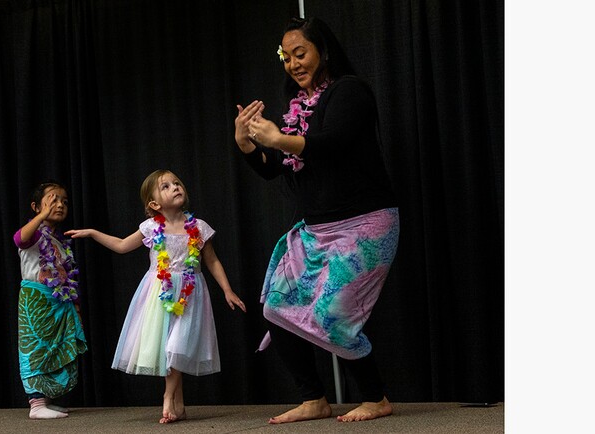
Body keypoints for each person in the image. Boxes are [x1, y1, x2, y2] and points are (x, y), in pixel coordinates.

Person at [234, 17, 400, 424]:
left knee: (334, 316)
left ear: (322, 51)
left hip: (364, 224)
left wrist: (277, 139)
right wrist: (247, 143)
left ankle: (376, 398)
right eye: (286, 57)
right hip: (314, 229)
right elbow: (278, 167)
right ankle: (314, 399)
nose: (293, 63)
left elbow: (332, 145)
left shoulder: (349, 91)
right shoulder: (296, 109)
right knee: (277, 306)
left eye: (300, 53)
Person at [65, 169, 246, 424]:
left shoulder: (199, 227)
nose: (175, 187)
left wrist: (227, 290)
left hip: (190, 293)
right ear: (154, 204)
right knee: (169, 348)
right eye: (166, 186)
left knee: (177, 347)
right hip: (158, 291)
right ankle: (179, 405)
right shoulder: (151, 227)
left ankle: (167, 397)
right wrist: (93, 233)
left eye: (176, 183)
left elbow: (212, 260)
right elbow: (120, 245)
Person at [13, 181, 87, 419]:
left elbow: (65, 278)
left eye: (64, 201)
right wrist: (42, 216)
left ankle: (46, 399)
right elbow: (19, 239)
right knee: (36, 349)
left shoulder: (59, 240)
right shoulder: (33, 233)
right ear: (36, 206)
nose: (60, 205)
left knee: (54, 348)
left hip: (57, 302)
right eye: (53, 199)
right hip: (36, 300)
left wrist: (74, 307)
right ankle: (36, 404)